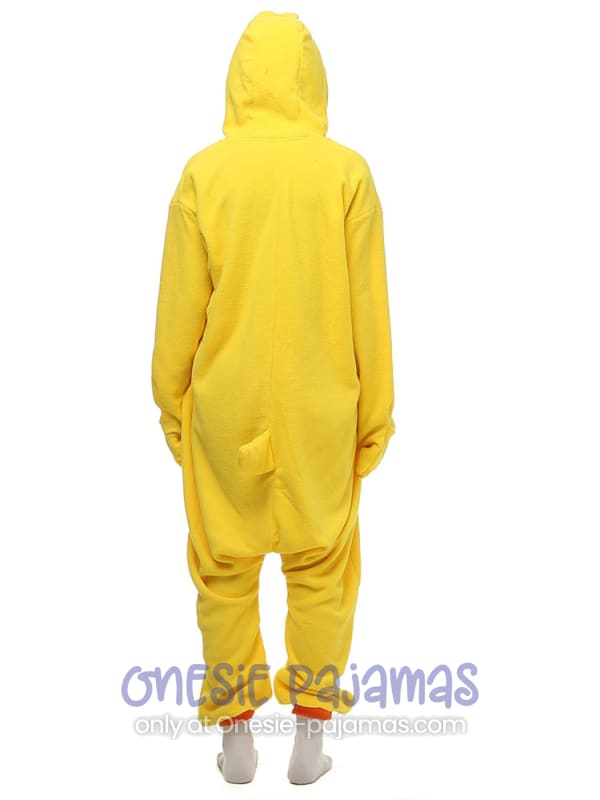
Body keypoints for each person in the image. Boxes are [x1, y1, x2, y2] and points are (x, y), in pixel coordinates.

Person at [151, 9, 395, 785]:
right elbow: (370, 310)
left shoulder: (204, 174)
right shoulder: (347, 174)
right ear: (313, 80)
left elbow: (179, 310)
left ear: (239, 81)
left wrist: (174, 409)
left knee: (222, 570)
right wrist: (374, 420)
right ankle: (311, 742)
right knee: (322, 570)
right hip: (322, 415)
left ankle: (234, 740)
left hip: (226, 412)